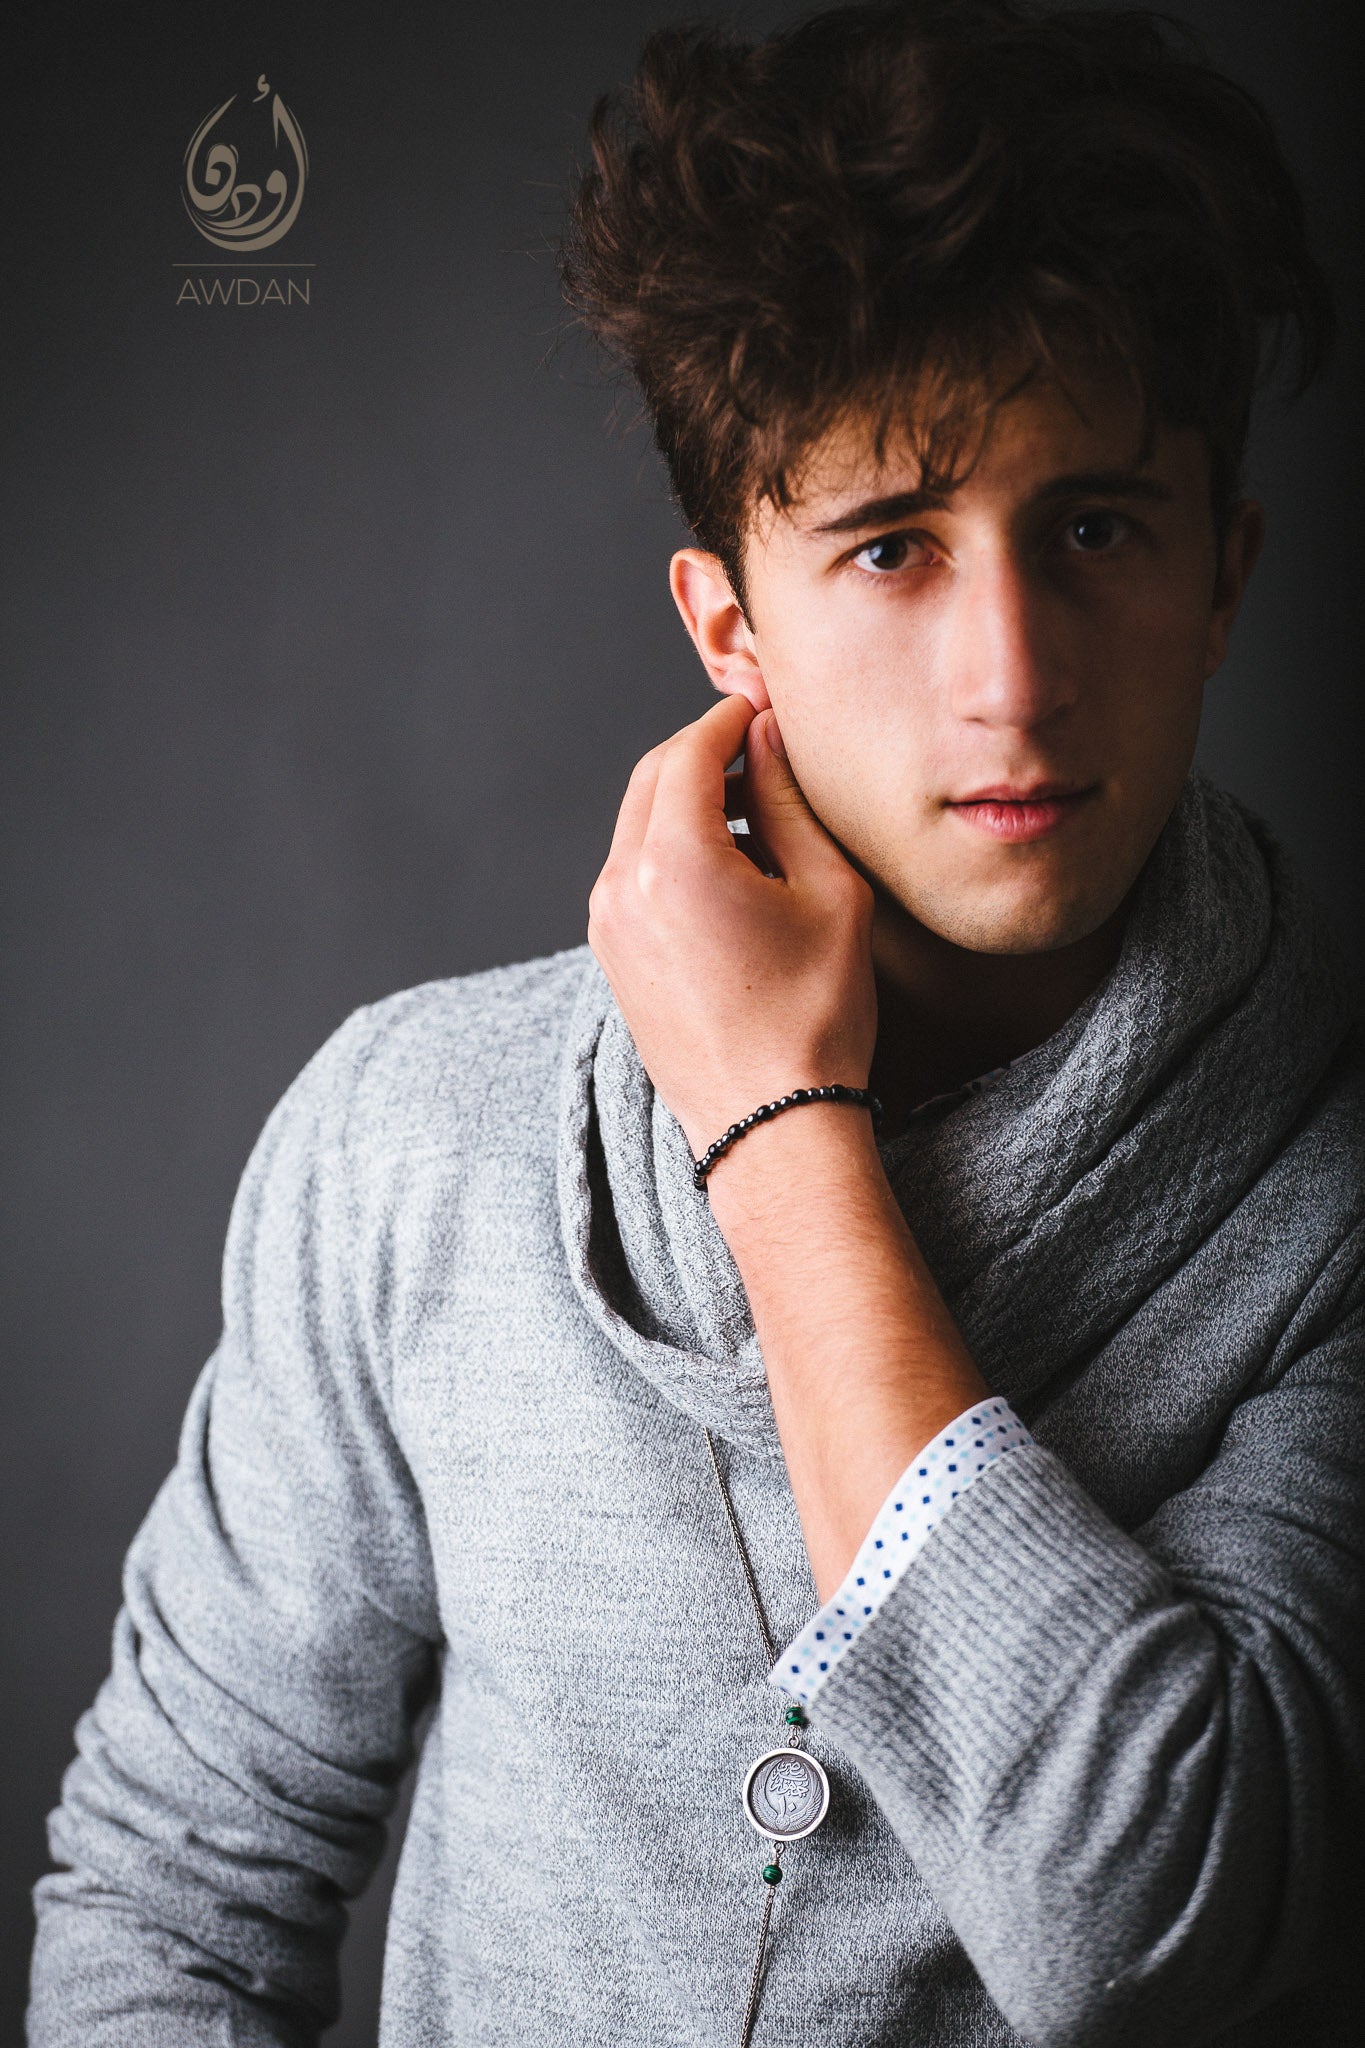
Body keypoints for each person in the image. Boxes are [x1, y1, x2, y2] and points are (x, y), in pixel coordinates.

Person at [28, 3, 1364, 2043]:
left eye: (1093, 528)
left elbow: (1142, 1922)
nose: (1010, 678)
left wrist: (776, 1133)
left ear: (1222, 579)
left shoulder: (1331, 1208)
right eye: (891, 548)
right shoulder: (414, 1136)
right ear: (729, 624)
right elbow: (171, 1889)